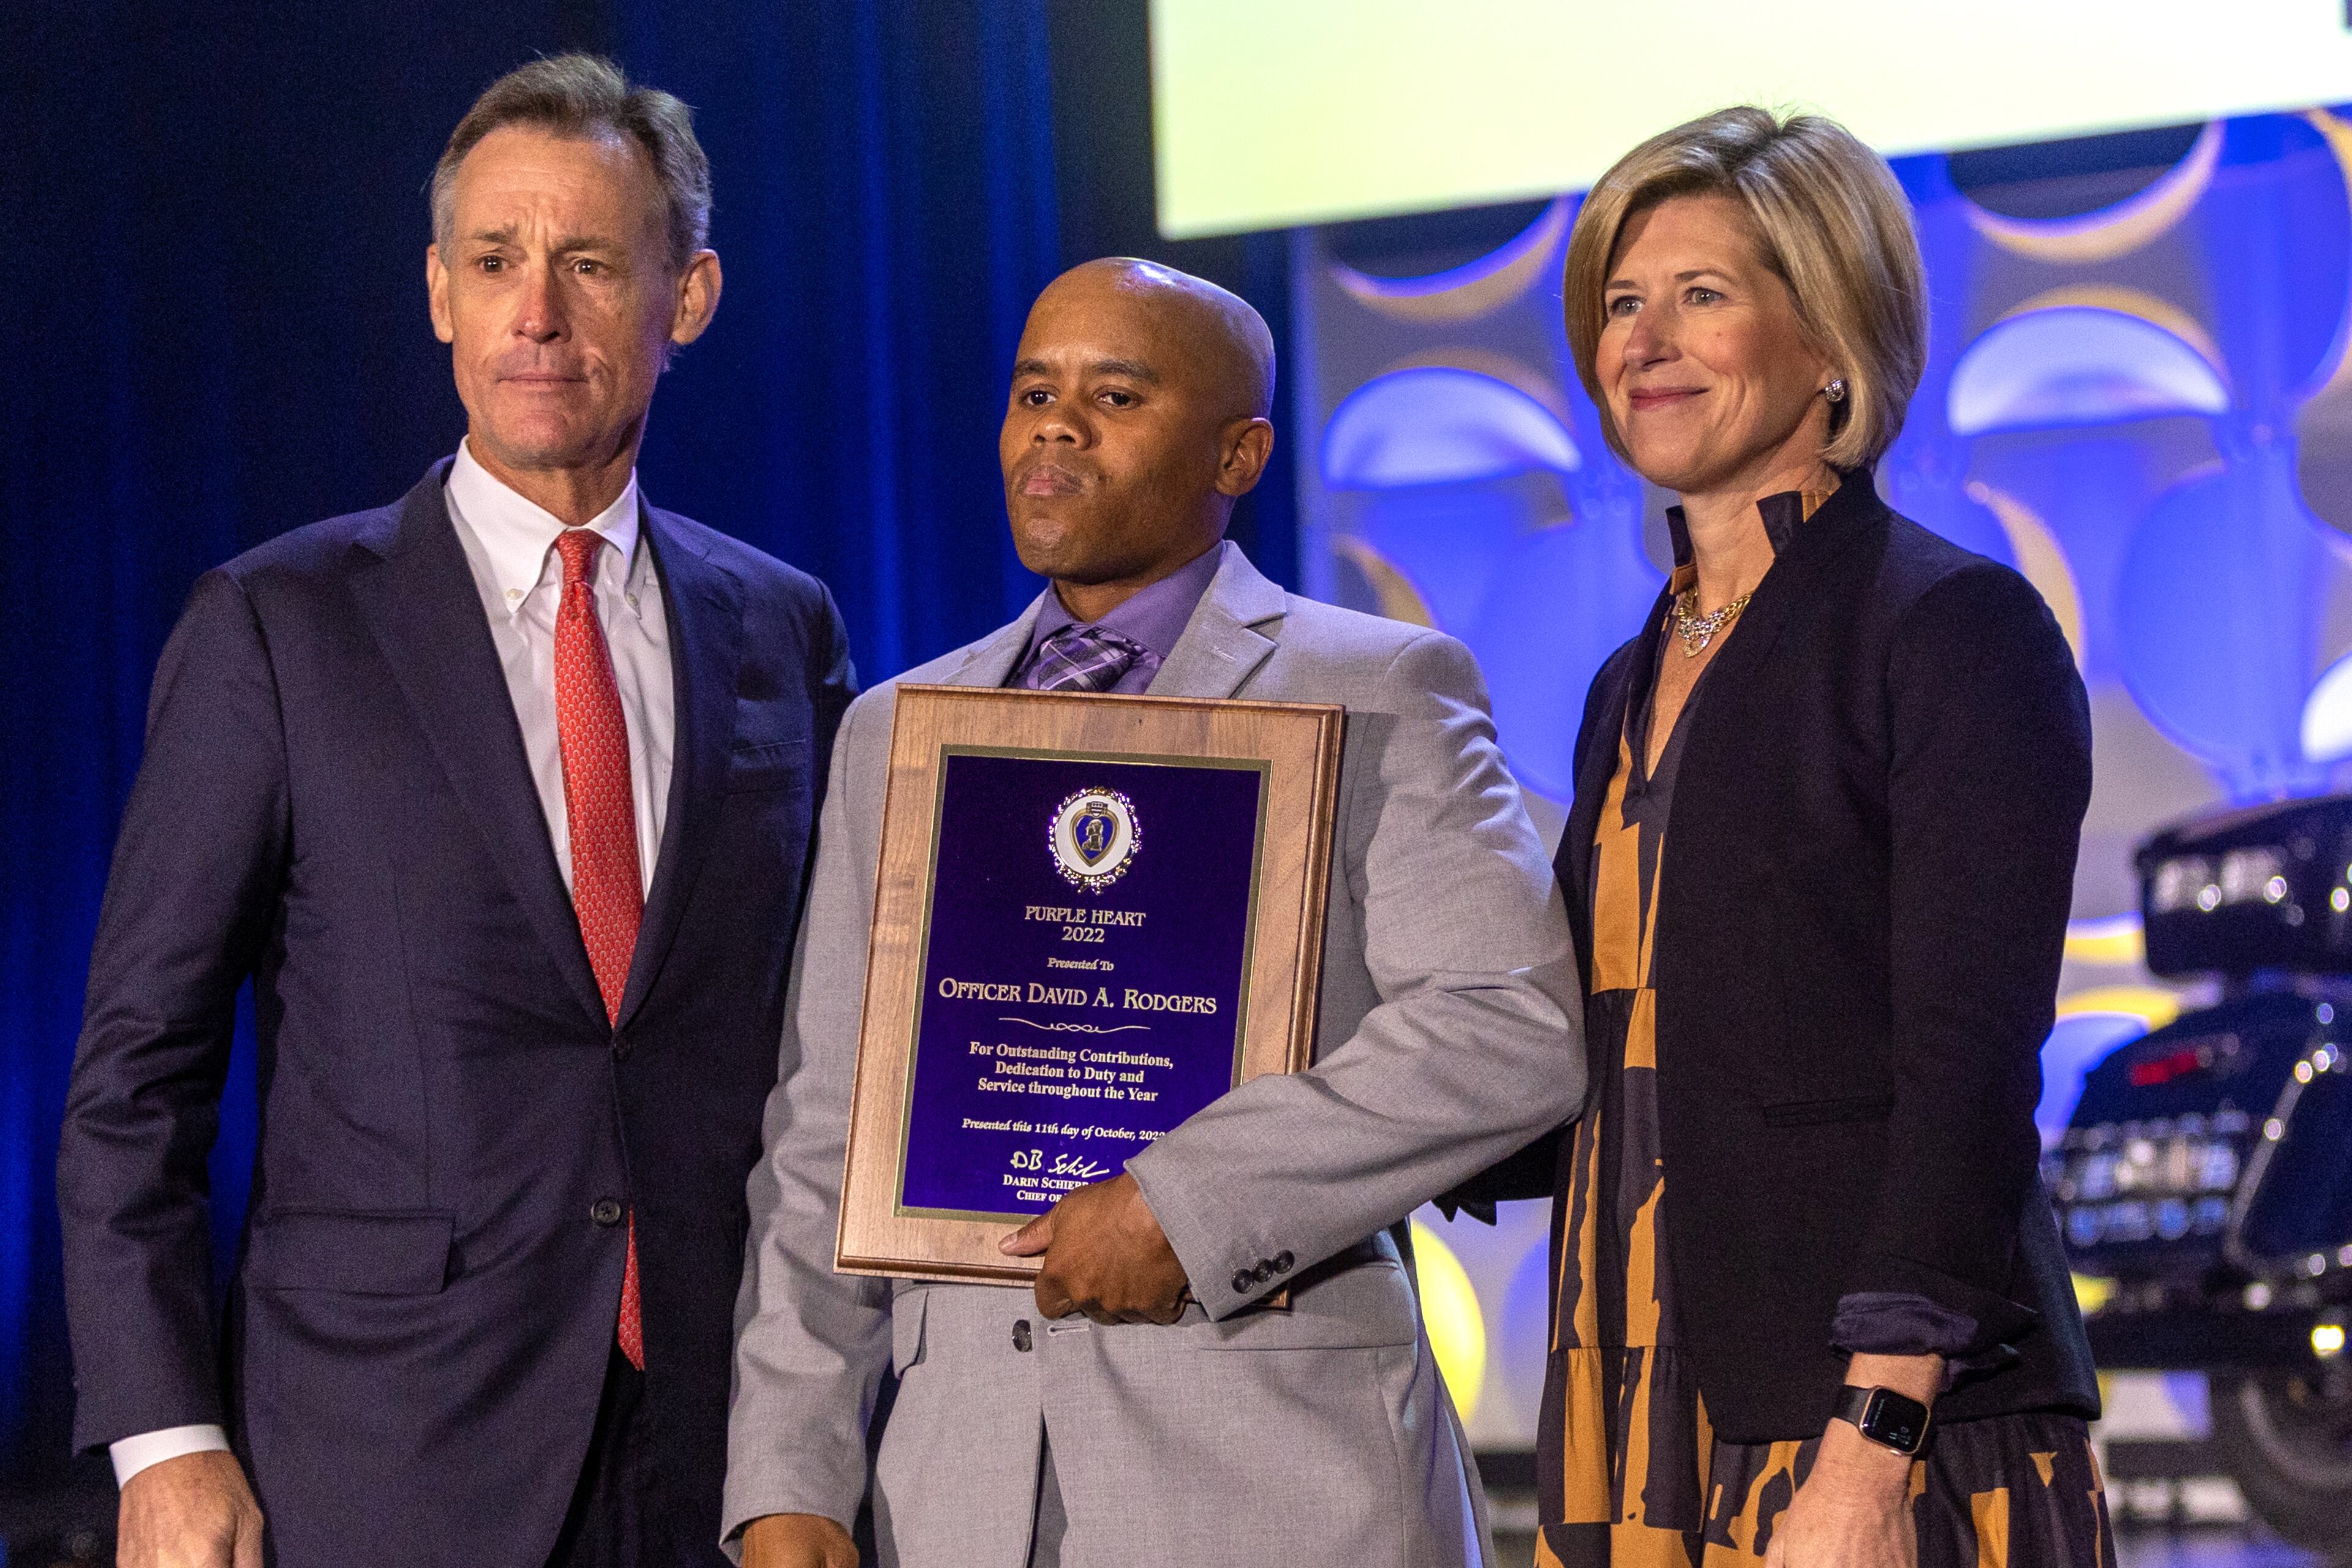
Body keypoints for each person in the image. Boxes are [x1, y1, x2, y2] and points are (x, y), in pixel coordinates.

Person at [56, 55, 853, 1568]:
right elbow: (135, 1075)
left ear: (688, 297)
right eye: (494, 263)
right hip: (383, 1459)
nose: (535, 312)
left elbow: (829, 1045)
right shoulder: (277, 627)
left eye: (589, 263)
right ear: (438, 292)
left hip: (725, 1452)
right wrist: (167, 1441)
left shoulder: (783, 625)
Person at [723, 258, 1585, 1568]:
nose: (1057, 426)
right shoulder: (899, 730)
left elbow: (1506, 1026)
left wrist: (1184, 1203)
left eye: (1116, 394)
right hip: (956, 1494)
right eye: (1034, 392)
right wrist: (787, 1469)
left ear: (1239, 450)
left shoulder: (1378, 685)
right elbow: (829, 1129)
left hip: (1280, 1481)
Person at [1464, 107, 2108, 1566]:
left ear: (1832, 339)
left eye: (1704, 295)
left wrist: (1873, 1446)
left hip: (1866, 1409)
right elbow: (1605, 1027)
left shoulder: (1951, 629)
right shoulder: (1629, 678)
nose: (1646, 339)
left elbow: (1967, 1067)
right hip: (1632, 1381)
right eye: (1624, 302)